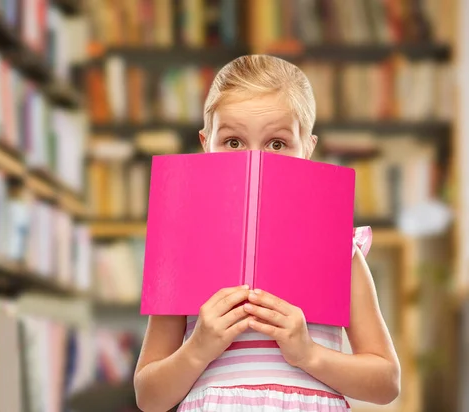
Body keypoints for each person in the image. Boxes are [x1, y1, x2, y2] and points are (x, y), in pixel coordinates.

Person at [133, 55, 401, 412]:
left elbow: (386, 383)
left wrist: (308, 353)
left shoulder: (339, 249)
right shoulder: (184, 248)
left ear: (307, 147)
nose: (255, 161)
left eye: (277, 143)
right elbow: (149, 398)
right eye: (233, 142)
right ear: (205, 144)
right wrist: (198, 348)